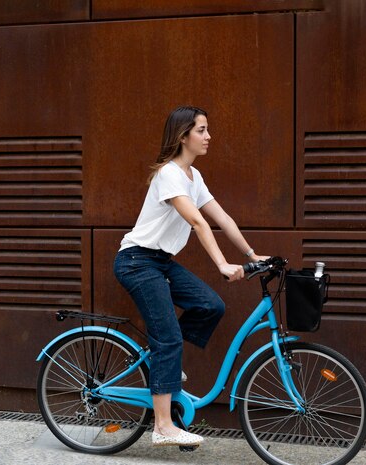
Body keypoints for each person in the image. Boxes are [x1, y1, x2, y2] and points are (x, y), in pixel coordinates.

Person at [113, 106, 267, 447]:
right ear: (184, 136)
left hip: (160, 262)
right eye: (202, 130)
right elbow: (198, 222)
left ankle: (161, 361)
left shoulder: (194, 178)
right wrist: (223, 265)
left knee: (210, 305)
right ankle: (163, 426)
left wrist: (251, 255)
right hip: (137, 261)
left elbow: (222, 218)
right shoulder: (169, 174)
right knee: (168, 339)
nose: (209, 136)